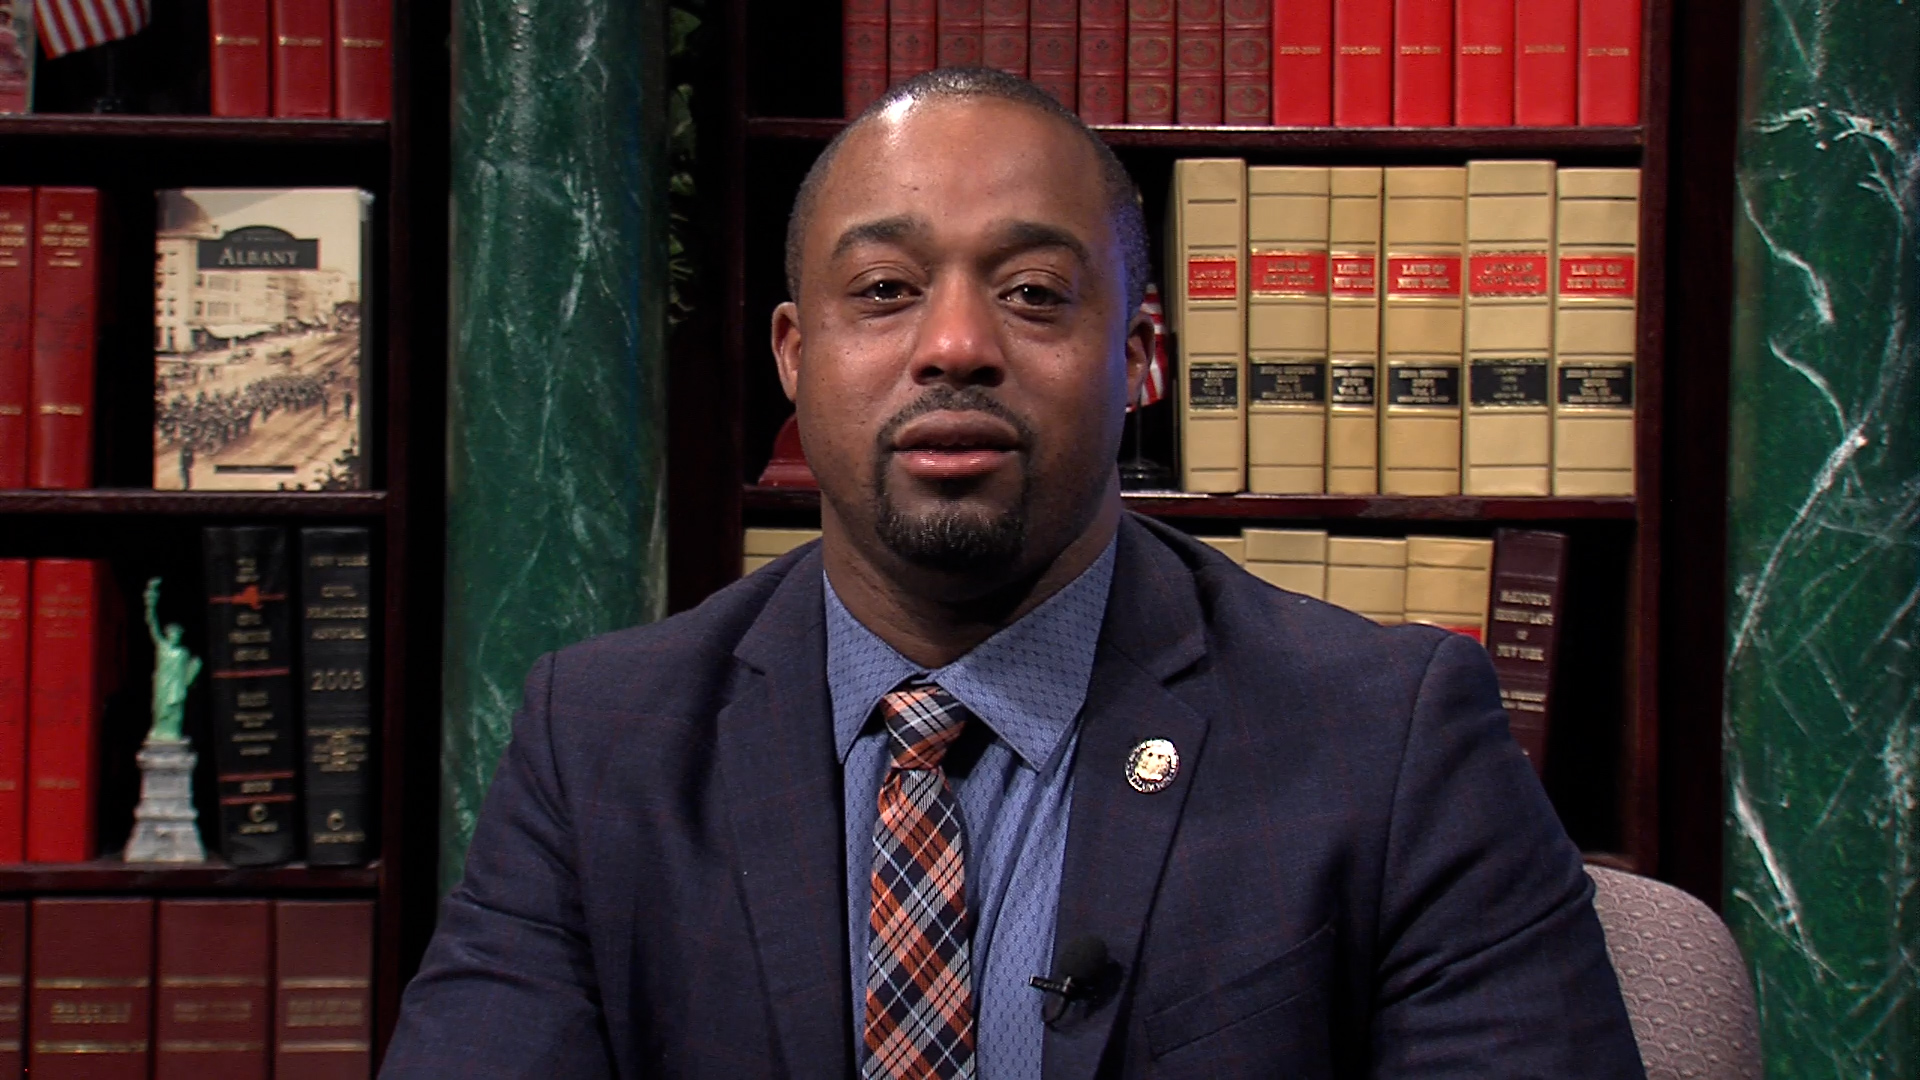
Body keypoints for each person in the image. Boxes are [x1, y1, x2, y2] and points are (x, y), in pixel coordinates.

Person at [382, 68, 1643, 1079]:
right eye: (884, 290)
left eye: (1034, 293)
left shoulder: (1390, 737)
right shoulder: (601, 743)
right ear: (795, 355)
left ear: (1140, 358)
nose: (955, 344)